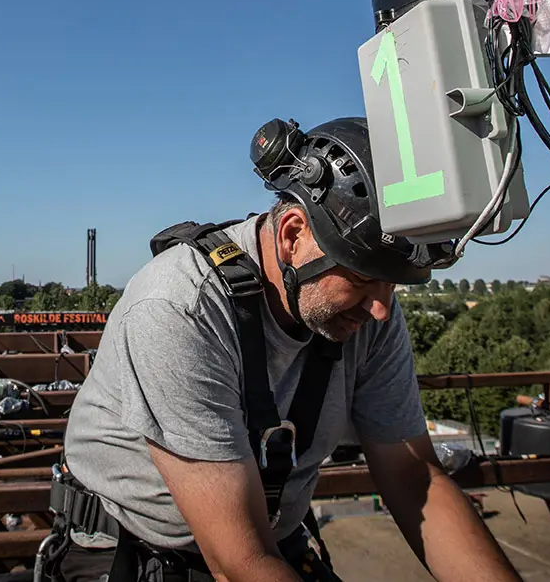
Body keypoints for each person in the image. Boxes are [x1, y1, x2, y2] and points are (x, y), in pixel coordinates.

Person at [49, 116, 522, 582]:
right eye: (362, 278)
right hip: (137, 553)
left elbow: (414, 478)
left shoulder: (369, 310)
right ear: (293, 235)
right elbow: (240, 562)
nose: (381, 308)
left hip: (271, 544)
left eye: (394, 285)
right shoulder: (180, 306)